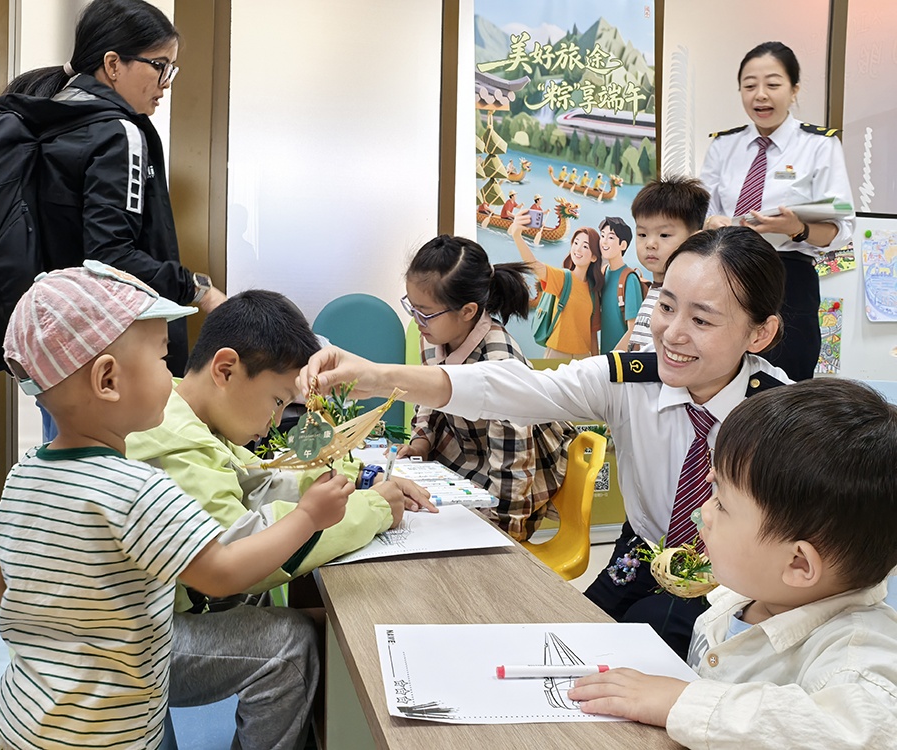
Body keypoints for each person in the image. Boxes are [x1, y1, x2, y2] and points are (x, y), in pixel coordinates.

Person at [300, 226, 791, 659]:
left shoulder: (781, 417)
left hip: (729, 579)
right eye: (665, 307)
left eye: (702, 320)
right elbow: (509, 388)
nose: (671, 334)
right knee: (571, 644)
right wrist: (377, 376)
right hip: (640, 552)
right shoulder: (632, 380)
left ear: (761, 333)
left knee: (649, 648)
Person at [0, 262, 350, 750]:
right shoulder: (138, 489)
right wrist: (308, 517)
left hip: (24, 718)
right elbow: (222, 572)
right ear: (108, 380)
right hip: (111, 730)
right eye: (161, 358)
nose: (172, 373)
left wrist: (72, 629)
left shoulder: (25, 473)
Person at [123, 289, 432, 744]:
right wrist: (371, 509)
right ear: (225, 370)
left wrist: (353, 486)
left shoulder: (188, 416)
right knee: (289, 645)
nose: (274, 422)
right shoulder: (172, 439)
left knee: (283, 611)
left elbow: (251, 487)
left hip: (163, 614)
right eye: (275, 401)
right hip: (142, 644)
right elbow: (240, 555)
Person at [569, 378, 897, 749]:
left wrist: (681, 701)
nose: (704, 512)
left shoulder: (857, 659)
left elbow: (864, 732)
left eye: (722, 504)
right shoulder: (746, 597)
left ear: (799, 565)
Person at [1, 0, 227, 379]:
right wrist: (197, 289)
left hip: (56, 347)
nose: (165, 83)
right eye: (159, 66)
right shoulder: (118, 133)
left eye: (171, 69)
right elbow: (110, 255)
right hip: (111, 350)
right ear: (112, 65)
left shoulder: (53, 119)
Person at [396, 235, 572, 541]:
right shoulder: (434, 336)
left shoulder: (499, 359)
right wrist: (421, 442)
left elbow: (515, 462)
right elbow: (429, 397)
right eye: (412, 308)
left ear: (467, 311)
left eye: (425, 312)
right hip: (470, 453)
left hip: (519, 470)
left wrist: (503, 531)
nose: (418, 321)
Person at [699, 41, 854, 381]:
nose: (760, 96)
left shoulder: (819, 145)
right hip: (726, 272)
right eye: (750, 85)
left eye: (773, 84)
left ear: (794, 89)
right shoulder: (724, 145)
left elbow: (840, 227)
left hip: (789, 279)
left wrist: (795, 227)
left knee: (785, 388)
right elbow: (703, 208)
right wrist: (712, 221)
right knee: (721, 378)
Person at [621, 176, 710, 352]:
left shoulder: (685, 298)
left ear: (695, 238)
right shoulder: (655, 289)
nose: (650, 244)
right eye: (642, 235)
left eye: (664, 235)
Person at [513, 218, 603, 360]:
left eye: (585, 246)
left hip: (584, 358)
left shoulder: (593, 291)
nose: (578, 249)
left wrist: (597, 363)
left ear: (593, 257)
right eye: (576, 243)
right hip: (557, 354)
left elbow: (592, 334)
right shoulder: (563, 277)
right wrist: (517, 236)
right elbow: (534, 266)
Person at [597, 216, 642, 353]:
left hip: (620, 361)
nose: (604, 242)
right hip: (603, 359)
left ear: (623, 245)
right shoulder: (603, 273)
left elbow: (633, 329)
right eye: (602, 236)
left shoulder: (629, 279)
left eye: (610, 237)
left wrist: (611, 358)